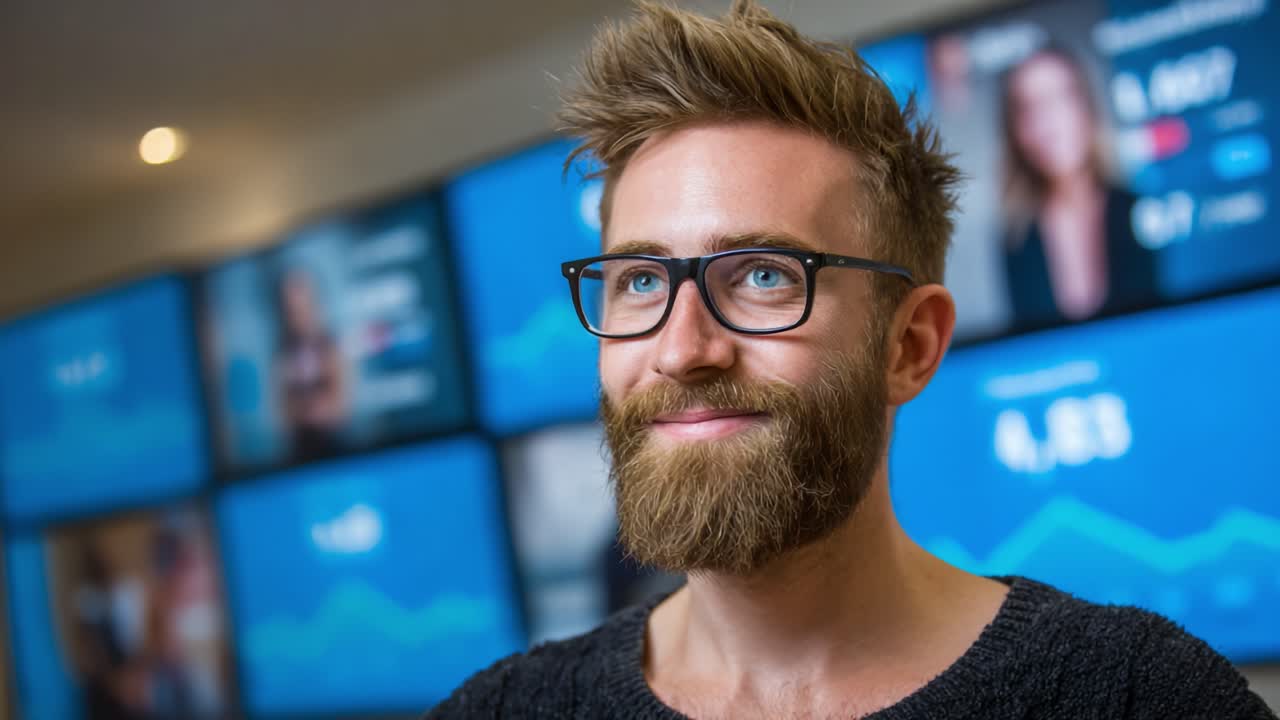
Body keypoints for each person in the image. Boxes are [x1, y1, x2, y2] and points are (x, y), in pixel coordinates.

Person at [428, 2, 1274, 718]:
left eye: (763, 275)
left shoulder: (1139, 697)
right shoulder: (503, 710)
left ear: (909, 346)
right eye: (642, 281)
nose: (683, 349)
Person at [999, 46, 1159, 331]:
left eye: (1059, 98)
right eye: (1028, 107)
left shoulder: (1142, 211)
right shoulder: (1016, 240)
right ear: (1015, 133)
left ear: (1087, 108)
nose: (1046, 123)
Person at [273, 267, 348, 461]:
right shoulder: (281, 353)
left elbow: (339, 406)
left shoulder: (331, 347)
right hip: (297, 452)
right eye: (290, 308)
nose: (297, 313)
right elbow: (282, 414)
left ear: (315, 303)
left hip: (337, 448)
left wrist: (315, 409)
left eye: (302, 305)